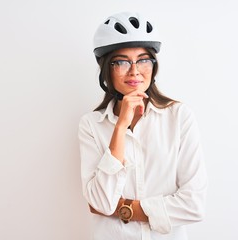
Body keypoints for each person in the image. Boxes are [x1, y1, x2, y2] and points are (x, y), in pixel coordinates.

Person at [78, 11, 208, 240]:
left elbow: (194, 205)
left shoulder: (179, 116)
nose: (135, 71)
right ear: (107, 68)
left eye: (143, 59)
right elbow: (101, 202)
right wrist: (120, 128)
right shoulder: (91, 125)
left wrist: (126, 210)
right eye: (122, 62)